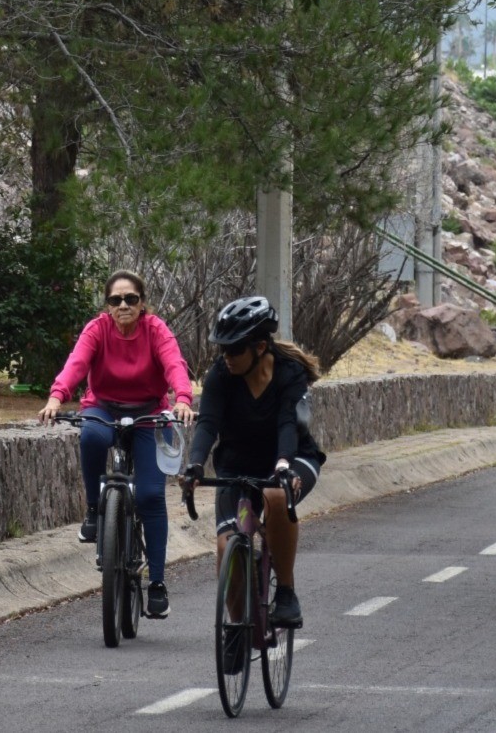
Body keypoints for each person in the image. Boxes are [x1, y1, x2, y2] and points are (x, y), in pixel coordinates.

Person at [38, 269, 195, 619]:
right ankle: (94, 509)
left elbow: (174, 364)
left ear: (142, 303)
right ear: (108, 305)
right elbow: (76, 364)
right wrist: (56, 397)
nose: (123, 305)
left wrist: (182, 399)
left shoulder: (156, 330)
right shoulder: (97, 330)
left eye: (130, 299)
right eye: (115, 300)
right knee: (92, 436)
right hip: (103, 406)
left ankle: (157, 583)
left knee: (151, 496)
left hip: (149, 412)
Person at [183, 296, 326, 634]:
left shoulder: (289, 373)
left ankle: (286, 591)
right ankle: (237, 630)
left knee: (276, 496)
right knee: (227, 546)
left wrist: (283, 464)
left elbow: (288, 423)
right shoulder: (221, 374)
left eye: (234, 350)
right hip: (238, 467)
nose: (226, 357)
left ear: (260, 347)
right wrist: (195, 464)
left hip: (292, 458)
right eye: (222, 349)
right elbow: (208, 423)